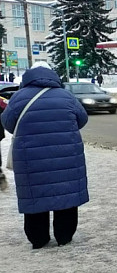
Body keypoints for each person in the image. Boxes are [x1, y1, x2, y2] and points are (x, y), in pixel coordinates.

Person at [0, 63, 89, 249]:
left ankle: (38, 239)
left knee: (34, 196)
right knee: (66, 194)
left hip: (30, 157)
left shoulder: (19, 97)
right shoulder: (66, 96)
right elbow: (82, 119)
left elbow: (8, 123)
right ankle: (64, 236)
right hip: (66, 155)